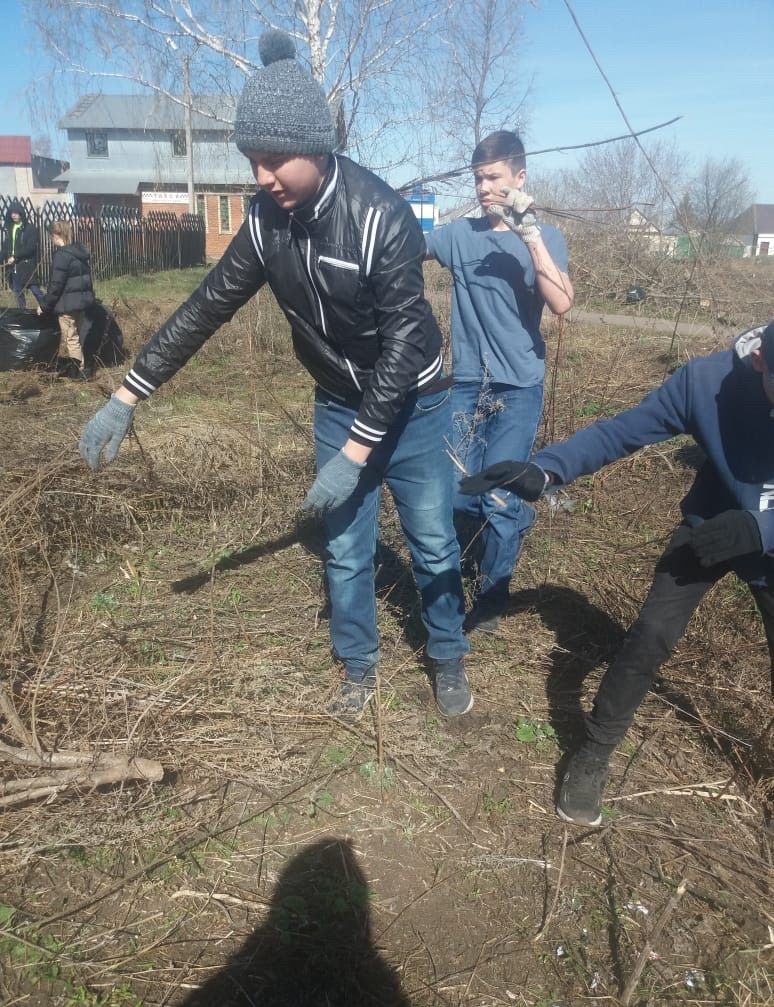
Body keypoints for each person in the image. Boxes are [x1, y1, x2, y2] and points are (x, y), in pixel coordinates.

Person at [78, 30, 471, 721]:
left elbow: (407, 342)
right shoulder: (265, 225)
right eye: (253, 161)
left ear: (316, 146)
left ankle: (447, 655)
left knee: (432, 539)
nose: (261, 177)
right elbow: (206, 308)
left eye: (273, 159)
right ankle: (358, 668)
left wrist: (356, 452)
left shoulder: (380, 217)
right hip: (337, 402)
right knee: (346, 546)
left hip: (414, 405)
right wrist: (127, 393)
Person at [460, 322, 774, 826]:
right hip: (710, 528)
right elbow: (621, 431)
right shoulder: (704, 383)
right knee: (649, 635)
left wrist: (762, 528)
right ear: (760, 361)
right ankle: (594, 753)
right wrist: (547, 469)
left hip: (766, 539)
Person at [425, 132, 573, 633]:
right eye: (478, 178)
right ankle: (472, 561)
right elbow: (402, 243)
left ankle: (492, 595)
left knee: (500, 494)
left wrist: (528, 233)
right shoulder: (457, 236)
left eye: (493, 177)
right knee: (458, 493)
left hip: (517, 388)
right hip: (466, 385)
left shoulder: (545, 236)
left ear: (519, 177)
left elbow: (563, 303)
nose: (484, 187)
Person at [36, 220, 96, 380]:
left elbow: (55, 285)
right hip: (82, 304)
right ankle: (83, 365)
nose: (51, 240)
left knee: (72, 339)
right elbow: (87, 280)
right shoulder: (80, 253)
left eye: (51, 237)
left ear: (56, 235)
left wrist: (44, 305)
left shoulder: (61, 256)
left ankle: (79, 372)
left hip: (67, 305)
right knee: (78, 336)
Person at [1, 201, 44, 309]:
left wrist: (15, 256)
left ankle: (47, 307)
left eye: (16, 213)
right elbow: (6, 248)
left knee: (35, 289)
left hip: (26, 266)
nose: (13, 215)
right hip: (14, 267)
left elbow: (30, 248)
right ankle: (23, 313)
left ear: (21, 213)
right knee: (18, 292)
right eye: (11, 213)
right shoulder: (11, 229)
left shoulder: (30, 229)